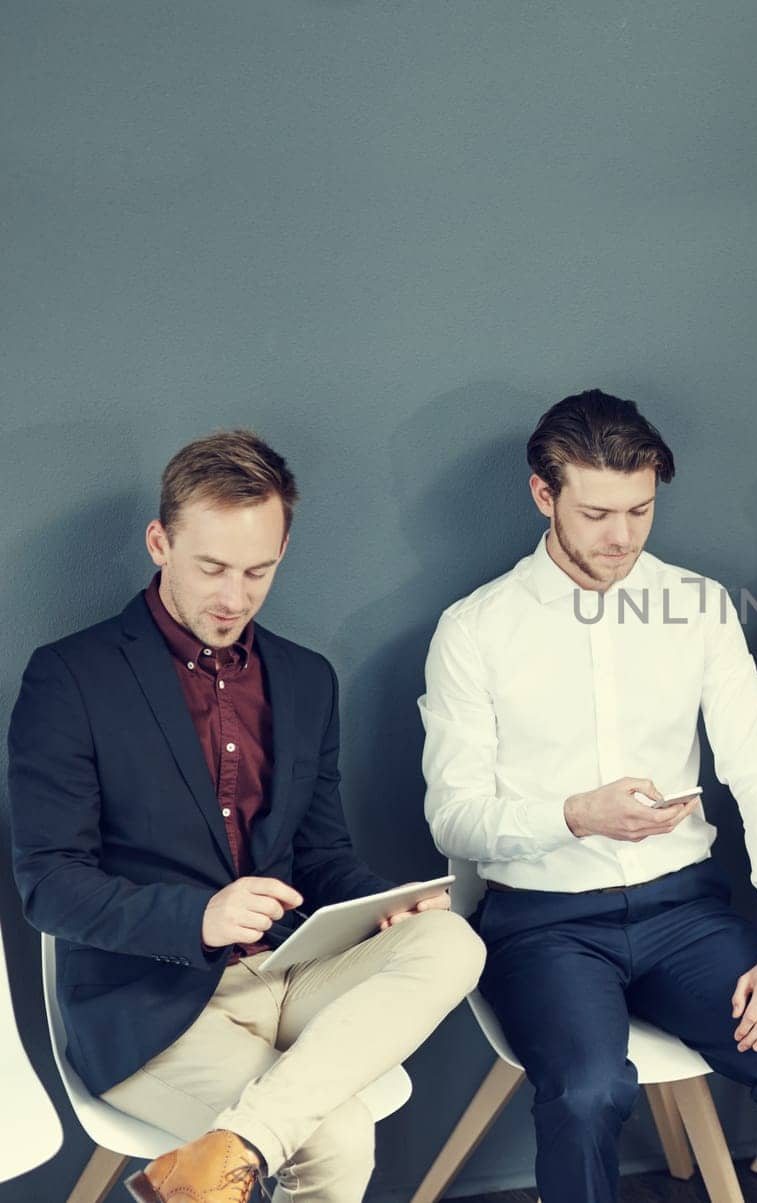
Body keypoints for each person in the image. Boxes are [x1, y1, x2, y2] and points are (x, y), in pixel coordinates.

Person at [9, 431, 485, 1203]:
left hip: (290, 972)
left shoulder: (305, 679)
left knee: (453, 937)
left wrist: (383, 905)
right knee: (335, 1139)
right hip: (153, 1008)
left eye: (258, 570)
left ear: (283, 548)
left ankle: (225, 1153)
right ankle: (241, 1151)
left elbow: (323, 850)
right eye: (212, 567)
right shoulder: (71, 677)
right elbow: (48, 887)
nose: (234, 596)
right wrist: (202, 915)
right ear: (160, 542)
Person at [419, 389, 757, 1203]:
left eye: (641, 510)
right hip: (544, 924)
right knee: (588, 1090)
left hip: (685, 913)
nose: (621, 538)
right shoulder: (475, 629)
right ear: (543, 495)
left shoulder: (698, 605)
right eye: (597, 513)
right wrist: (575, 815)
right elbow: (454, 817)